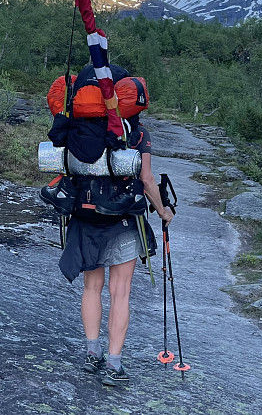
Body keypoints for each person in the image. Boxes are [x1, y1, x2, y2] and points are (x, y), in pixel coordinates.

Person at [57, 114, 174, 386]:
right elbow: (145, 179)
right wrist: (163, 210)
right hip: (122, 220)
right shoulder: (138, 132)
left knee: (91, 288)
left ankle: (91, 353)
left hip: (86, 216)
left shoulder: (81, 128)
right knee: (120, 293)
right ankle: (113, 364)